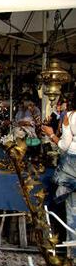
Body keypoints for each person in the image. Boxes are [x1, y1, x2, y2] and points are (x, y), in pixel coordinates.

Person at [42, 102, 76, 250]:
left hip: (72, 170)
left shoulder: (71, 116)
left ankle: (72, 257)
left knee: (72, 213)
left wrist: (50, 134)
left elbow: (64, 145)